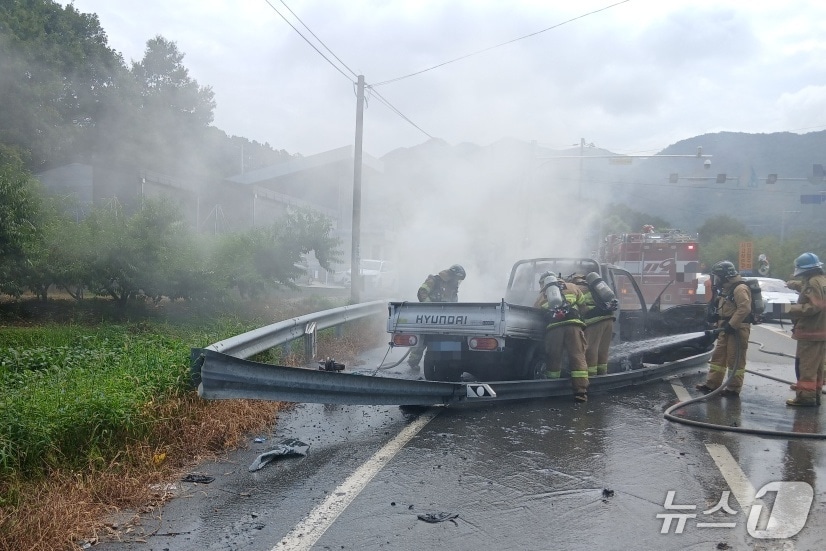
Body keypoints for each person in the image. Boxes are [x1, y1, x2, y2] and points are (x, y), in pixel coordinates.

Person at [696, 260, 752, 397]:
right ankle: (712, 384)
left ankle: (733, 388)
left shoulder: (740, 288)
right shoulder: (727, 289)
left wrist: (731, 325)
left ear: (725, 276)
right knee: (718, 357)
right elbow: (724, 309)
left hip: (737, 329)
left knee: (735, 360)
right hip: (725, 329)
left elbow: (744, 308)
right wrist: (716, 321)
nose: (716, 280)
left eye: (717, 276)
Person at [534, 271, 589, 402]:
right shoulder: (572, 287)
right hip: (574, 326)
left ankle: (552, 391)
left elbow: (536, 313)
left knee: (554, 359)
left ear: (543, 282)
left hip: (554, 329)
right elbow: (583, 307)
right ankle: (581, 393)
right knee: (578, 358)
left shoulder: (542, 295)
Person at [785, 252, 826, 407]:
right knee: (817, 366)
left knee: (806, 366)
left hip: (811, 331)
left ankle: (805, 398)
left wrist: (790, 308)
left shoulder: (813, 282)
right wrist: (792, 284)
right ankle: (814, 394)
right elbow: (807, 289)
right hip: (821, 331)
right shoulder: (821, 280)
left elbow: (814, 306)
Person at [407, 264, 466, 369]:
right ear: (451, 275)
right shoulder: (434, 280)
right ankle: (413, 362)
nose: (458, 281)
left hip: (444, 319)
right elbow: (422, 291)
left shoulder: (453, 287)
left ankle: (442, 364)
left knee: (443, 340)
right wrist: (430, 308)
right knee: (422, 340)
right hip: (429, 316)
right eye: (457, 278)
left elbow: (453, 303)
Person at [566, 273, 616, 377]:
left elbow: (577, 307)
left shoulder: (576, 288)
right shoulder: (594, 287)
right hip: (609, 319)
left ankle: (592, 377)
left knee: (591, 350)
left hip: (595, 321)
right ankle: (602, 374)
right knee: (603, 350)